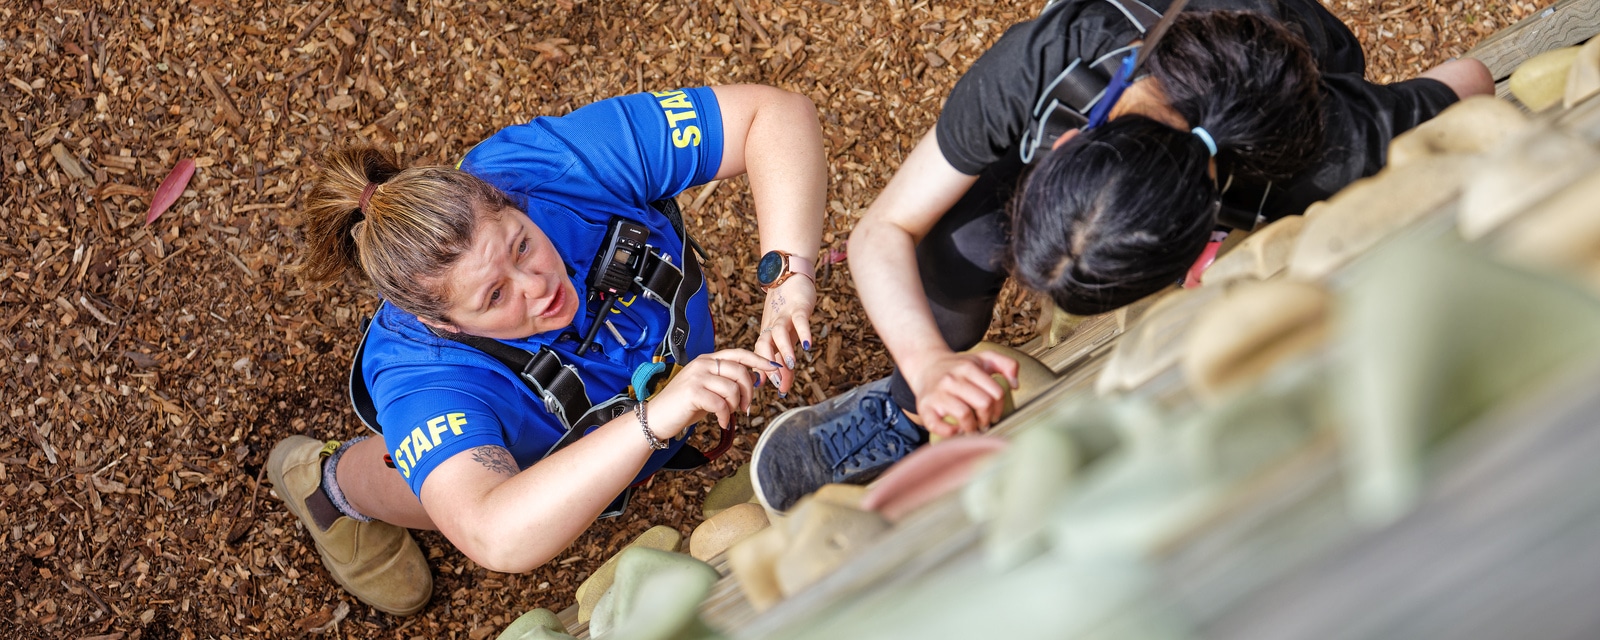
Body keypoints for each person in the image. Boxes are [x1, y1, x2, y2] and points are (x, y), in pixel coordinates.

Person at [749, 0, 1493, 513]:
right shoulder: (1045, 66)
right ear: (1066, 143)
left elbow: (1472, 82)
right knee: (956, 241)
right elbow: (885, 231)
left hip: (1295, 53)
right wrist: (926, 364)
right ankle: (900, 410)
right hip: (1150, 42)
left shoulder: (1320, 151)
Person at [268, 84, 826, 615]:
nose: (538, 286)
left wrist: (788, 283)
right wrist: (656, 418)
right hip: (533, 448)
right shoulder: (420, 372)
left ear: (506, 199)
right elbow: (494, 532)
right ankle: (327, 488)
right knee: (428, 483)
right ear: (442, 322)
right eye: (494, 296)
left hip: (637, 399)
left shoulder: (549, 165)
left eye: (522, 243)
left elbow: (772, 116)